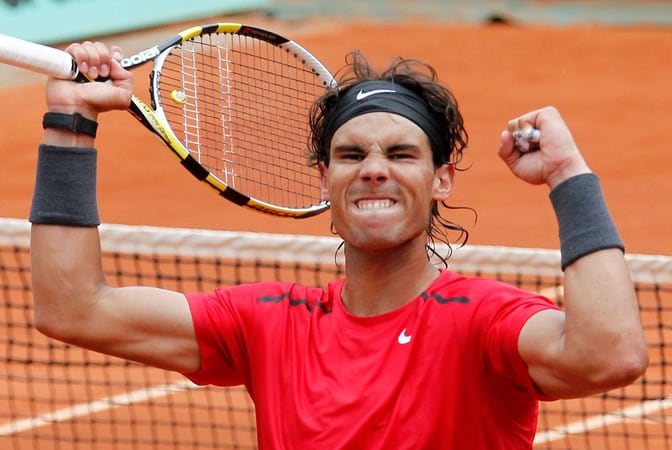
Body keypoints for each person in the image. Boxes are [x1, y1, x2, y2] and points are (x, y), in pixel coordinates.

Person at [29, 41, 648, 449]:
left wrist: (568, 176)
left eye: (402, 154)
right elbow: (73, 308)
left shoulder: (482, 322)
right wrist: (70, 124)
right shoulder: (269, 324)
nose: (374, 169)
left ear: (441, 181)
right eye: (351, 154)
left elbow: (609, 355)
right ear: (325, 179)